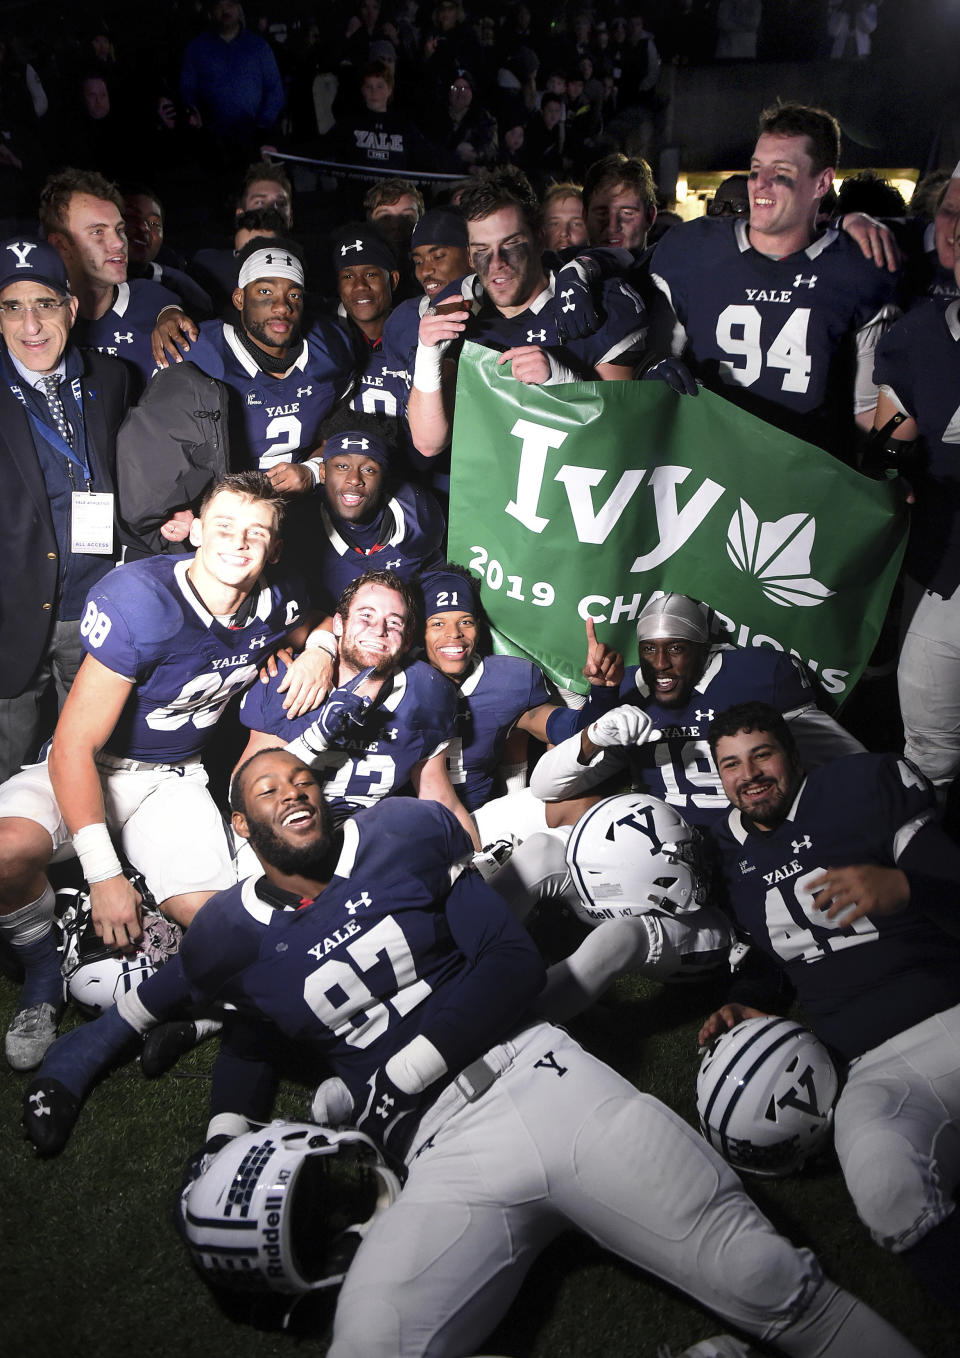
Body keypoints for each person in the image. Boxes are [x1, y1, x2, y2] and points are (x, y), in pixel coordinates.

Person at [26, 747, 926, 1358]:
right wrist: (210, 1127)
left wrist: (398, 1074)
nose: (294, 793)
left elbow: (502, 966)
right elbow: (211, 1015)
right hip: (435, 1160)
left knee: (771, 1281)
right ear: (239, 824)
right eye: (269, 790)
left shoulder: (402, 836)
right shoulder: (227, 932)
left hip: (539, 1079)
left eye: (302, 779)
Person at [0, 471, 331, 1071]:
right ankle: (44, 972)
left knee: (219, 926)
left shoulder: (280, 595)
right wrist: (104, 874)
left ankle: (151, 941)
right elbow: (73, 745)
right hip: (94, 764)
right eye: (225, 527)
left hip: (173, 777)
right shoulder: (141, 598)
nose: (238, 543)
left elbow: (319, 622)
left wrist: (320, 649)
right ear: (196, 530)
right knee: (5, 850)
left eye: (255, 533)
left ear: (273, 550)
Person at [702, 700, 960, 1310]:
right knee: (886, 1188)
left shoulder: (861, 788)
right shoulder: (729, 855)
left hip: (949, 1007)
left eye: (762, 754)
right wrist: (745, 1002)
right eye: (731, 764)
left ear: (791, 755)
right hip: (872, 1069)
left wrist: (905, 887)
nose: (750, 774)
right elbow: (770, 956)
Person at [650, 102, 900, 458]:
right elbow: (653, 356)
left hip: (800, 477)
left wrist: (883, 473)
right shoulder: (690, 248)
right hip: (704, 469)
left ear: (822, 182)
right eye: (756, 169)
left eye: (780, 171)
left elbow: (865, 410)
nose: (760, 184)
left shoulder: (856, 267)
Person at [0, 238, 131, 785]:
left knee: (89, 769)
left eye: (45, 304)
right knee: (7, 774)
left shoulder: (113, 378)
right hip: (10, 621)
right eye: (12, 306)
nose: (30, 324)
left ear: (72, 309)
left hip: (94, 611)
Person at [407, 166, 648, 459]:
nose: (497, 262)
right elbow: (428, 443)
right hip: (495, 495)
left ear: (538, 239)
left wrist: (565, 383)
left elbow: (626, 441)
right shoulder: (459, 306)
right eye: (482, 249)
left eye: (511, 244)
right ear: (469, 255)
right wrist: (428, 354)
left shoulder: (598, 302)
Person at [237, 568, 478, 847]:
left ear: (407, 639)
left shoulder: (429, 692)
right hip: (280, 836)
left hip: (368, 842)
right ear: (338, 625)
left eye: (395, 622)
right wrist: (316, 738)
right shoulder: (290, 677)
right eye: (366, 616)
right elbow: (243, 793)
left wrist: (477, 868)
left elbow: (439, 797)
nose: (379, 630)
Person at [146, 239, 355, 497]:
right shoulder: (197, 352)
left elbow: (343, 426)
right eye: (265, 292)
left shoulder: (331, 347)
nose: (282, 306)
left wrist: (312, 469)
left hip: (303, 503)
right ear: (239, 298)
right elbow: (155, 449)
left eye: (294, 295)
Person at [872, 217, 960, 793]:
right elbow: (887, 451)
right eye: (951, 211)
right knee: (928, 741)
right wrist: (888, 471)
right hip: (941, 561)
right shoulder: (918, 336)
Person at [40, 167, 181, 388]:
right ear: (60, 244)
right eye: (98, 232)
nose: (119, 243)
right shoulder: (34, 322)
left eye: (120, 229)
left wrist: (172, 312)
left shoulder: (159, 302)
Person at [179, 0, 285, 145]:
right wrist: (191, 110)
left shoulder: (259, 47)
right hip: (212, 140)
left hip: (254, 136)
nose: (225, 10)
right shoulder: (196, 49)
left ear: (238, 8)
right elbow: (187, 87)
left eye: (229, 5)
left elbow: (275, 89)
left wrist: (264, 125)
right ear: (211, 12)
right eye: (219, 5)